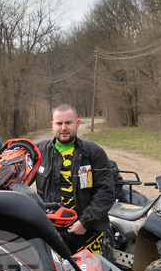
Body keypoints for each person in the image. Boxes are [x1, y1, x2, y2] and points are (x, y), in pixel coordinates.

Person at [35, 104, 115, 254]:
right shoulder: (39, 152)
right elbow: (18, 184)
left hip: (87, 233)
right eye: (59, 123)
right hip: (50, 233)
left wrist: (85, 222)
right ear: (53, 125)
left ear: (77, 124)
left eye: (68, 123)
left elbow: (106, 192)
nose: (63, 127)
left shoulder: (94, 152)